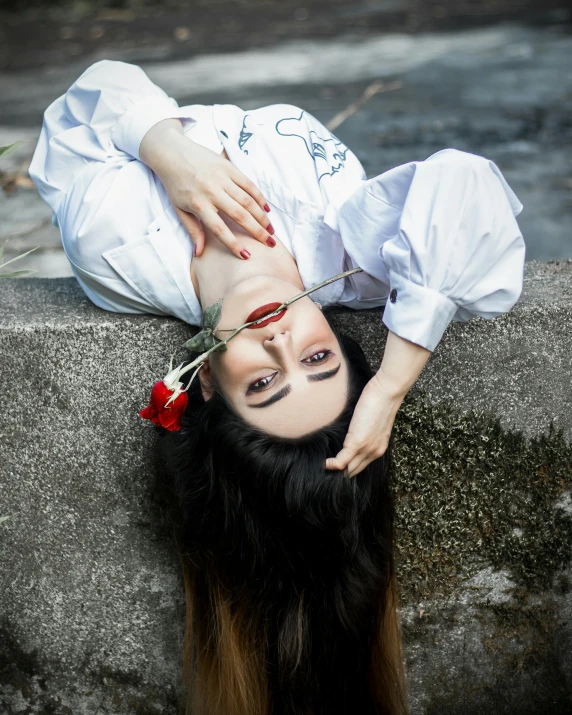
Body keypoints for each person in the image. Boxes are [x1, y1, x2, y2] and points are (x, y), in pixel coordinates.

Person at [29, 60, 525, 715]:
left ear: (205, 377)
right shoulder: (351, 254)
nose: (283, 338)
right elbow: (466, 183)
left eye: (264, 381)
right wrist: (389, 390)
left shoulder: (115, 250)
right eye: (319, 356)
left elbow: (87, 98)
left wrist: (169, 150)